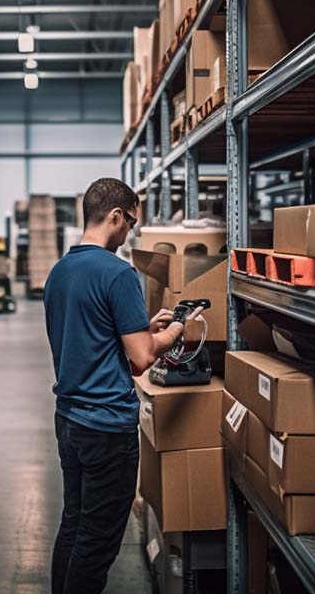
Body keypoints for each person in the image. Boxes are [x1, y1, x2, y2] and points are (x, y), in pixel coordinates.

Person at [43, 177, 197, 594]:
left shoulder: (60, 273)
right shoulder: (117, 273)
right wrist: (176, 331)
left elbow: (90, 337)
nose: (129, 232)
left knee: (74, 523)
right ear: (115, 216)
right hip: (107, 427)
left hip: (70, 421)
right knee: (97, 541)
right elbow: (143, 358)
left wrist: (142, 328)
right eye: (130, 222)